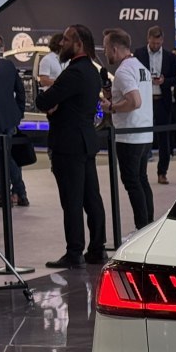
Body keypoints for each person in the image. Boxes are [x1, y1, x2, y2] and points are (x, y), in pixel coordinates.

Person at [36, 24, 107, 269]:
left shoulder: (74, 72)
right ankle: (97, 248)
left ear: (78, 44)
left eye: (66, 40)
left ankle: (74, 251)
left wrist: (53, 107)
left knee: (72, 200)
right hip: (85, 141)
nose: (61, 44)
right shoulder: (91, 71)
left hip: (68, 145)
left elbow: (43, 100)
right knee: (91, 199)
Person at [102, 28, 155, 231]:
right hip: (143, 132)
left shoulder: (124, 71)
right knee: (141, 179)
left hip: (129, 135)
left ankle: (142, 227)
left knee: (132, 182)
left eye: (107, 49)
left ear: (115, 49)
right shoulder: (141, 67)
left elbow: (135, 101)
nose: (106, 54)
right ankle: (147, 226)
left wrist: (112, 107)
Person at [0, 48, 29, 208]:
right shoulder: (8, 65)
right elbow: (20, 89)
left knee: (2, 159)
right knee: (6, 157)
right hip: (9, 119)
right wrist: (19, 112)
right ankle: (9, 193)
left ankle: (13, 193)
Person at [134, 26, 176, 185]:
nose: (155, 46)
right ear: (148, 39)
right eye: (153, 43)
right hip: (144, 102)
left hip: (163, 101)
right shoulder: (138, 54)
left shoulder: (169, 57)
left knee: (164, 139)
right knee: (143, 137)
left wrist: (164, 81)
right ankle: (141, 173)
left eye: (158, 43)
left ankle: (162, 172)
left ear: (162, 41)